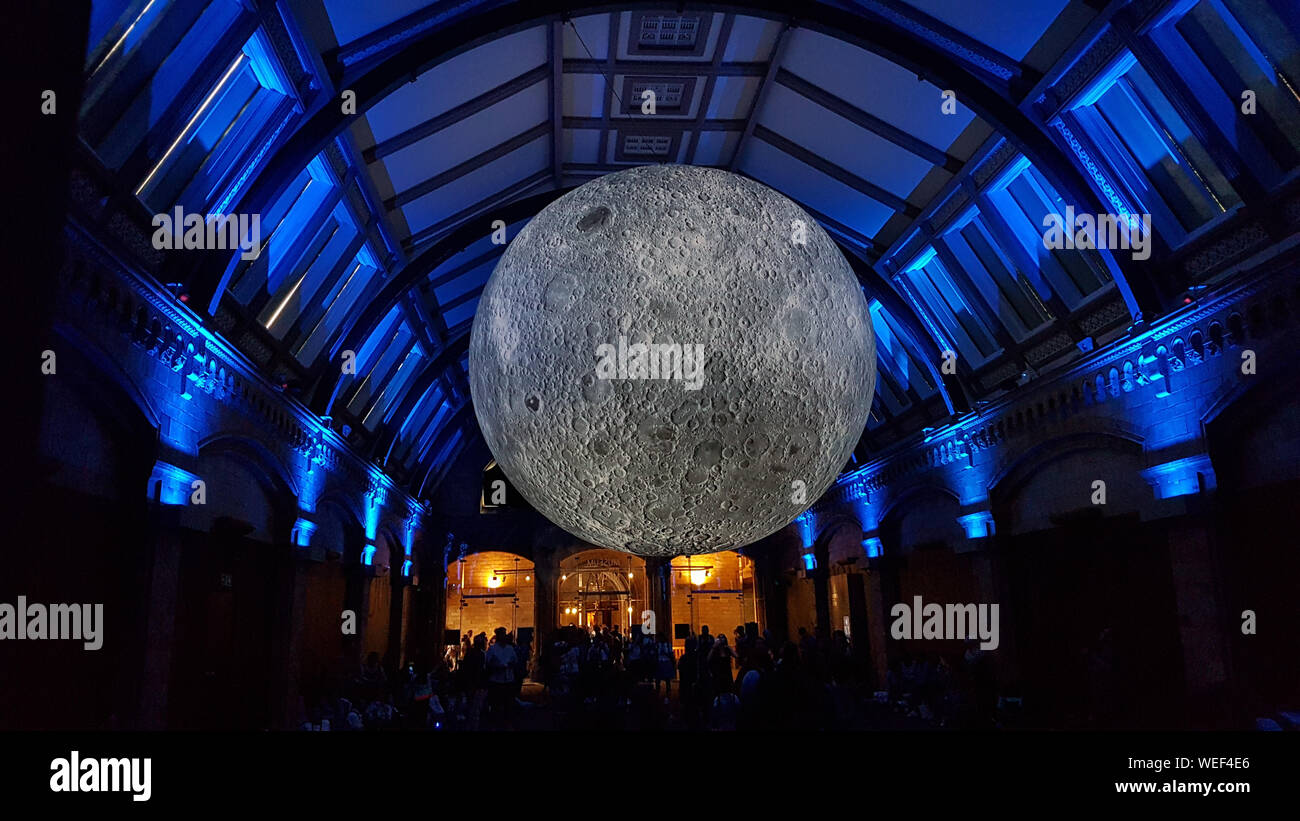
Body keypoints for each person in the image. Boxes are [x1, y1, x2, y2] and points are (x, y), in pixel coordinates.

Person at [485, 627, 518, 729]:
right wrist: (496, 666)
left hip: (508, 680)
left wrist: (510, 664)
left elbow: (515, 661)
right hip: (496, 681)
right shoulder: (493, 649)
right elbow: (487, 663)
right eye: (501, 635)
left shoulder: (510, 649)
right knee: (496, 705)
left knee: (508, 705)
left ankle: (507, 723)